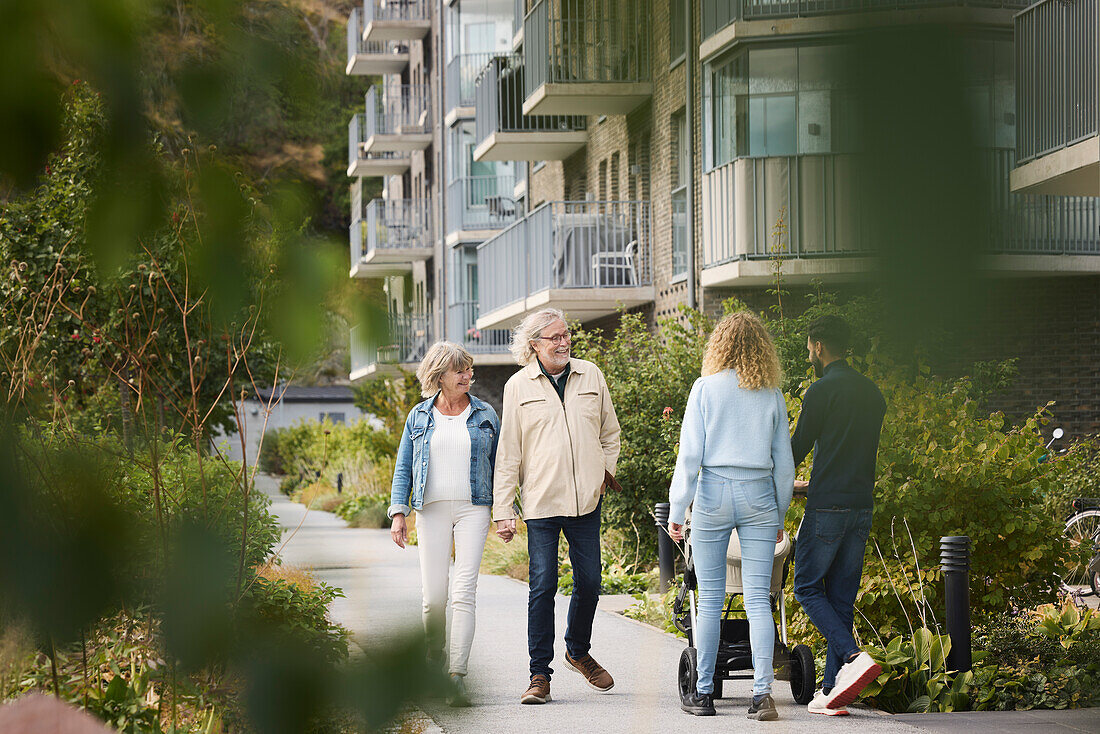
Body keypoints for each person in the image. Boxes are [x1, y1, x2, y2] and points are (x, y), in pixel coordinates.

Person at [667, 311, 795, 721]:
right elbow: (785, 465)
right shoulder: (772, 394)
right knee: (759, 598)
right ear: (762, 348)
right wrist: (778, 513)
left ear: (719, 346)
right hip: (759, 494)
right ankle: (761, 696)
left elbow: (690, 457)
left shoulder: (705, 389)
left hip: (713, 493)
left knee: (709, 600)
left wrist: (676, 509)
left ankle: (703, 695)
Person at [492, 308, 621, 705]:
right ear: (534, 345)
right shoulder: (518, 386)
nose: (564, 342)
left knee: (591, 582)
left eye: (566, 335)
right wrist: (503, 509)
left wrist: (603, 475)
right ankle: (539, 674)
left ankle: (577, 651)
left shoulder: (590, 374)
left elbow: (610, 432)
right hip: (542, 501)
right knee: (543, 585)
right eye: (554, 337)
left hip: (586, 501)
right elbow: (509, 451)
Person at [388, 341, 500, 707]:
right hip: (430, 509)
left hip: (474, 508)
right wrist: (398, 512)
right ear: (439, 376)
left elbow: (502, 466)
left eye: (469, 369)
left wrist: (505, 511)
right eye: (459, 370)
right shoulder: (419, 417)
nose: (468, 375)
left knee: (464, 592)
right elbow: (404, 465)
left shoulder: (485, 414)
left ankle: (457, 676)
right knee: (433, 597)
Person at [790, 315, 887, 715]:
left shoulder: (820, 391)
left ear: (818, 345)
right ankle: (831, 692)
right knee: (842, 598)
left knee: (807, 588)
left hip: (827, 504)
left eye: (810, 346)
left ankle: (851, 657)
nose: (809, 352)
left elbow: (796, 451)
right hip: (861, 504)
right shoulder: (873, 393)